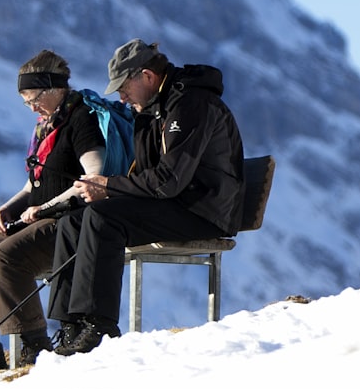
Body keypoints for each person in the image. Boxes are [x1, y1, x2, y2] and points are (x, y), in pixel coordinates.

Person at [47, 39, 245, 356]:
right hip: (175, 203)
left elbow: (169, 180)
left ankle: (99, 324)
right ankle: (70, 324)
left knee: (102, 218)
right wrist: (107, 188)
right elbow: (150, 176)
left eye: (124, 87)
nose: (122, 97)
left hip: (203, 209)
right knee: (75, 222)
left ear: (147, 76)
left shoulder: (190, 104)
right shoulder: (152, 109)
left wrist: (110, 186)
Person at [0, 49, 106, 374]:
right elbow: (33, 185)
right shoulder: (45, 127)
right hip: (38, 218)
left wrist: (44, 207)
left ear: (55, 88)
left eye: (34, 98)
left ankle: (36, 347)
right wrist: (9, 207)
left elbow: (93, 177)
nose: (32, 107)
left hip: (69, 222)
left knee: (5, 258)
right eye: (26, 102)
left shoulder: (81, 120)